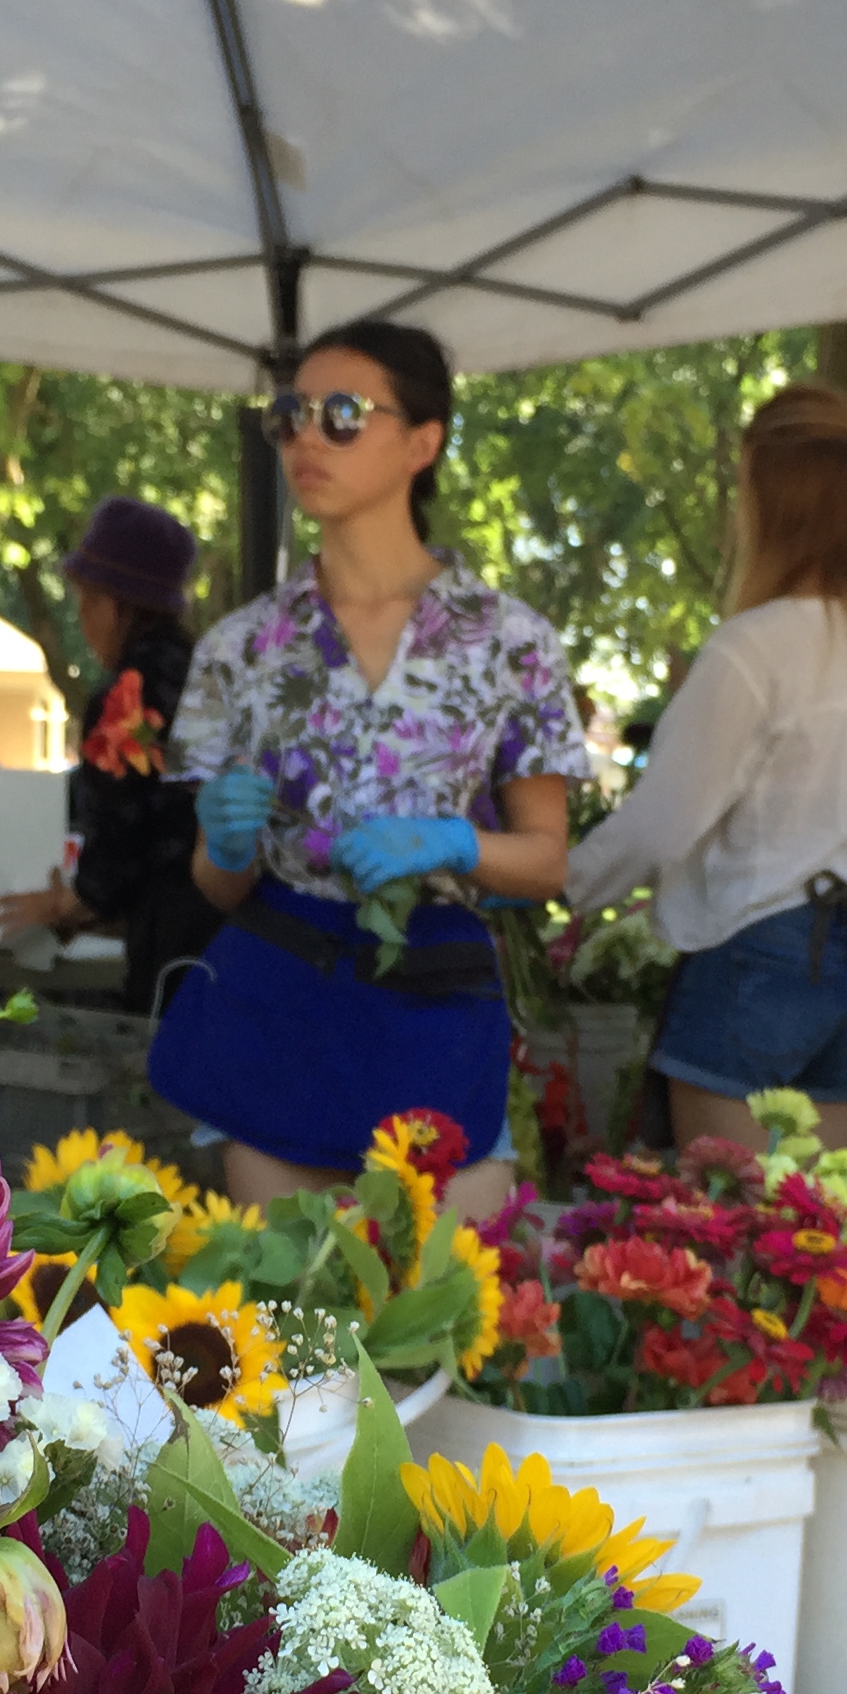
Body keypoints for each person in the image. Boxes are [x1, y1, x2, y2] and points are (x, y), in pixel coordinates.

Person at [150, 320, 585, 1216]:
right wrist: (226, 846)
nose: (306, 437)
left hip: (437, 1002)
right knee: (292, 1334)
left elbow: (548, 861)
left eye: (343, 414)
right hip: (282, 1003)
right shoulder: (241, 647)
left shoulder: (510, 642)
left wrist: (454, 842)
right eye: (290, 413)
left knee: (439, 1326)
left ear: (423, 442)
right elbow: (216, 885)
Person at [564, 382, 847, 1153]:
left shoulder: (753, 647)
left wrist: (555, 883)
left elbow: (660, 825)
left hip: (759, 952)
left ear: (765, 500)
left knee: (715, 1233)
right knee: (814, 1238)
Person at [0, 497, 223, 1015]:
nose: (82, 619)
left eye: (86, 601)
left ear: (116, 604)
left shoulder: (128, 696)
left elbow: (122, 830)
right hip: (240, 923)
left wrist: (67, 904)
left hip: (175, 932)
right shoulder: (209, 674)